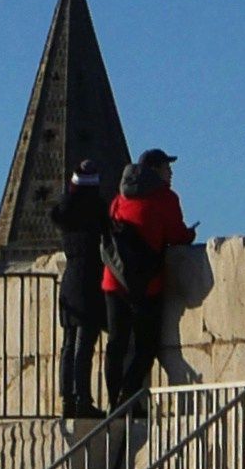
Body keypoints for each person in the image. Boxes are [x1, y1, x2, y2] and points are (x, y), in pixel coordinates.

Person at [100, 150, 191, 413]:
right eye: (166, 167)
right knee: (145, 345)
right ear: (154, 170)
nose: (170, 173)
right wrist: (189, 233)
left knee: (116, 343)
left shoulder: (119, 198)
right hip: (145, 285)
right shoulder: (165, 198)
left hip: (113, 281)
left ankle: (114, 400)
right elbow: (176, 234)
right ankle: (127, 398)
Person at [51, 158, 115, 421]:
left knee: (68, 346)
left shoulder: (65, 213)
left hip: (69, 281)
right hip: (91, 279)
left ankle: (67, 400)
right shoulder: (97, 212)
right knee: (83, 346)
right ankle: (82, 400)